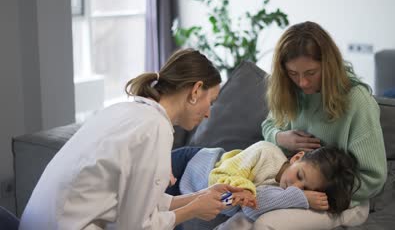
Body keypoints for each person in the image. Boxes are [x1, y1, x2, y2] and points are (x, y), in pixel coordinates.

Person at [19, 48, 243, 230]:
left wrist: (200, 196)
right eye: (211, 102)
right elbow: (136, 226)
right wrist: (193, 210)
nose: (208, 114)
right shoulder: (155, 129)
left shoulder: (125, 111)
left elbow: (140, 205)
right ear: (195, 91)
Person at [256, 21, 387, 229]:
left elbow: (373, 178)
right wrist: (282, 137)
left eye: (311, 73)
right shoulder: (292, 91)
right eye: (293, 73)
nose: (302, 83)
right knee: (241, 210)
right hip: (293, 189)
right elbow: (269, 125)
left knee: (265, 223)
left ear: (328, 65)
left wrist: (311, 197)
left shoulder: (357, 101)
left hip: (341, 200)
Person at [169, 141, 360, 221]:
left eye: (304, 189)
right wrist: (244, 190)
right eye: (300, 176)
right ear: (296, 158)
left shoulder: (284, 194)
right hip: (190, 164)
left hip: (188, 196)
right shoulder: (266, 151)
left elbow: (251, 209)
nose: (295, 186)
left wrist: (300, 197)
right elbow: (219, 177)